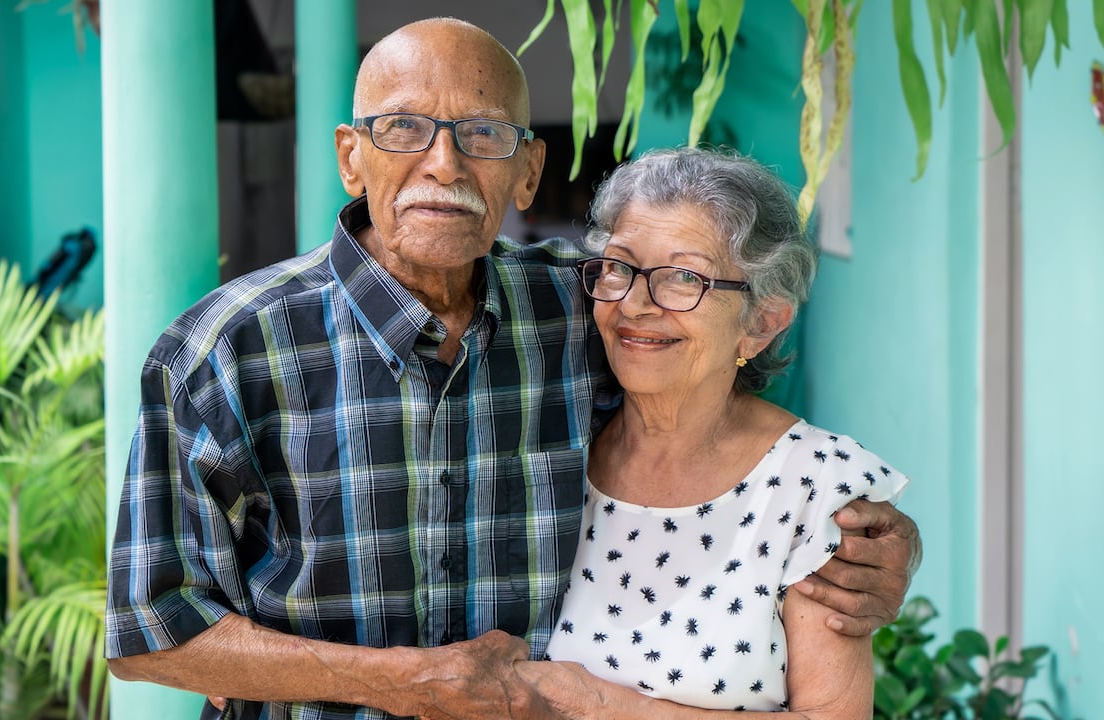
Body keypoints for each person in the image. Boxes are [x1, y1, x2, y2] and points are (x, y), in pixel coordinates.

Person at [105, 18, 921, 720]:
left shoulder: (589, 308)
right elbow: (152, 634)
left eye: (484, 136)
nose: (445, 166)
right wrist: (411, 684)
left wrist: (876, 546)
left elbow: (718, 425)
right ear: (351, 158)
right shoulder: (225, 353)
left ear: (528, 170)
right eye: (403, 130)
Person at [514, 147, 907, 718]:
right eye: (620, 266)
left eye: (684, 278)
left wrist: (605, 707)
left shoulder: (812, 488)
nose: (636, 304)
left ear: (762, 324)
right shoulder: (556, 447)